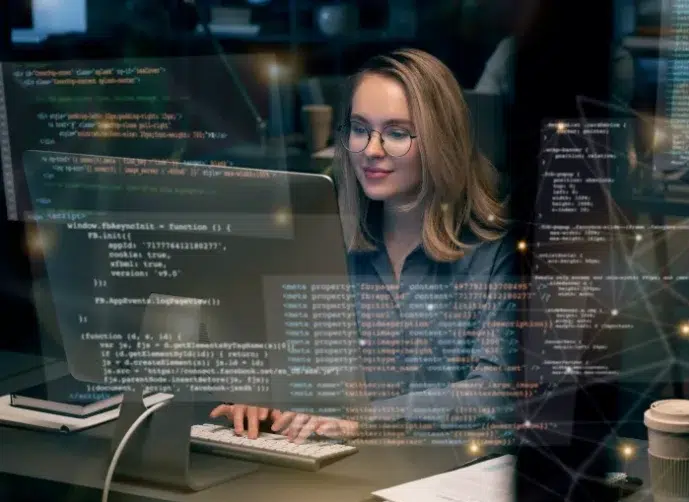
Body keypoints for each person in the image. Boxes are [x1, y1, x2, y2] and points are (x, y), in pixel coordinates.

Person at [211, 48, 519, 444]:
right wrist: (261, 393)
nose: (371, 150)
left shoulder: (498, 255)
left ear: (443, 142)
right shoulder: (326, 243)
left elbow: (494, 390)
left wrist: (361, 419)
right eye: (360, 129)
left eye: (396, 133)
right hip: (332, 468)